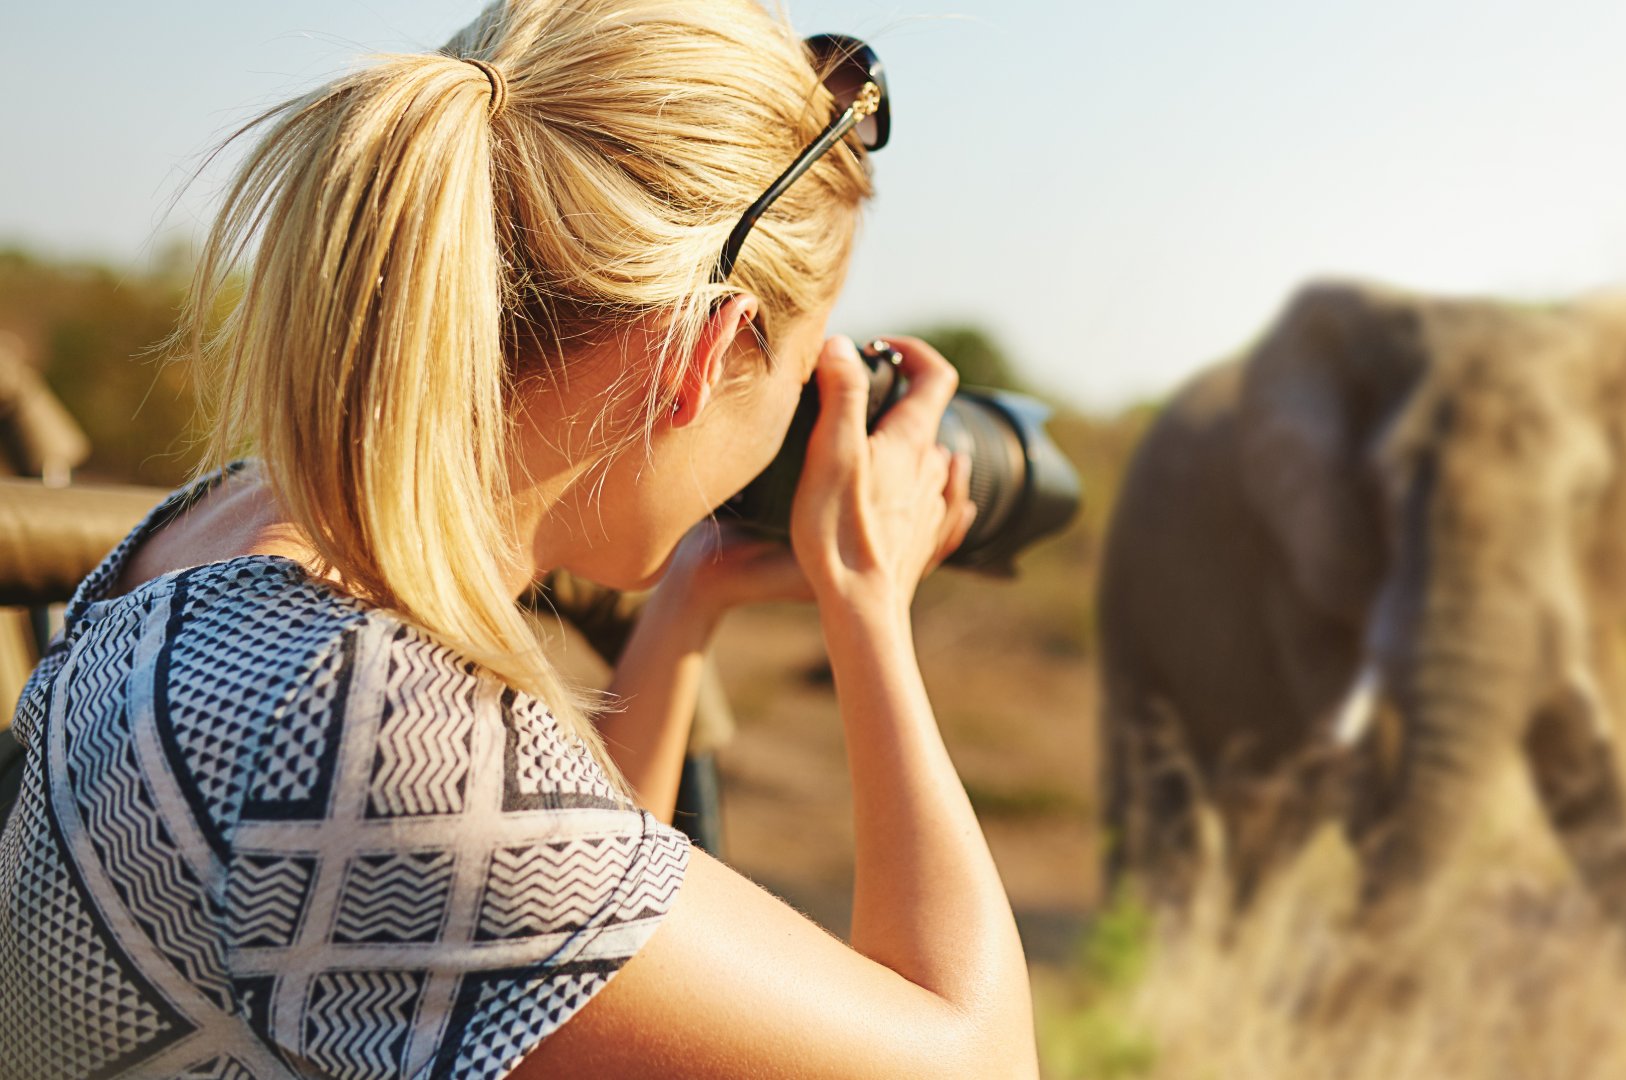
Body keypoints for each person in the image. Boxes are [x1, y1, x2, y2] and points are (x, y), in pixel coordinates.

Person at [0, 1, 1038, 1077]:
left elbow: (567, 955)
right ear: (706, 351)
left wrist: (685, 603)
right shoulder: (366, 727)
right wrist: (867, 596)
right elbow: (982, 1061)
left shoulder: (231, 524)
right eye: (802, 371)